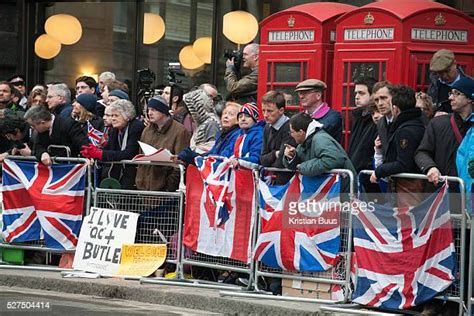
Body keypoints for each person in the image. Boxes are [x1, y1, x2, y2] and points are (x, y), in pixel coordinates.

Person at [370, 85, 425, 207]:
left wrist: (379, 171)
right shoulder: (416, 122)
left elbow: (403, 163)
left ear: (395, 108)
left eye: (384, 98)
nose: (380, 103)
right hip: (401, 185)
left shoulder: (405, 130)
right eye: (376, 100)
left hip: (408, 187)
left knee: (408, 222)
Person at [283, 112, 355, 194]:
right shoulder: (305, 141)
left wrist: (302, 167)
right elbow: (296, 163)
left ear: (301, 132)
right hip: (331, 192)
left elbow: (334, 159)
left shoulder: (320, 139)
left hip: (342, 191)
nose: (291, 135)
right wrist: (291, 156)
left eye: (292, 132)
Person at [81, 99, 144, 190]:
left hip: (133, 174)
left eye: (116, 115)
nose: (113, 118)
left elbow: (129, 153)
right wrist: (94, 152)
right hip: (119, 173)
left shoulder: (136, 127)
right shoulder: (115, 128)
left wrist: (100, 154)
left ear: (127, 116)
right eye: (112, 115)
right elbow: (109, 148)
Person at [135, 96, 190, 192]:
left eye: (153, 110)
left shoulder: (180, 131)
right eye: (148, 110)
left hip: (164, 189)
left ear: (163, 111)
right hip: (144, 186)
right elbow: (141, 157)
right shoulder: (147, 130)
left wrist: (169, 186)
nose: (149, 113)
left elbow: (181, 161)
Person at [176, 102, 241, 164]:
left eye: (231, 114)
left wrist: (192, 156)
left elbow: (222, 157)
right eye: (224, 113)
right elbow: (211, 153)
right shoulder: (222, 134)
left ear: (239, 119)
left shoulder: (238, 135)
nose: (226, 116)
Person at [24, 106, 88, 164]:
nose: (32, 128)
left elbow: (82, 143)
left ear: (42, 123)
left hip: (71, 165)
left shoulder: (68, 124)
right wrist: (43, 153)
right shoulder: (41, 131)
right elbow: (38, 146)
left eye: (33, 126)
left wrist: (87, 158)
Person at [260, 90, 296, 184]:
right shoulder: (267, 127)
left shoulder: (289, 127)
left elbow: (281, 163)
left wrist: (272, 157)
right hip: (271, 181)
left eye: (270, 111)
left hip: (288, 182)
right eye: (263, 110)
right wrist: (276, 153)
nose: (265, 115)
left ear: (281, 110)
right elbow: (262, 159)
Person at [348, 77, 378, 173]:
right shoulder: (357, 116)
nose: (357, 96)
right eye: (355, 93)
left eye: (361, 93)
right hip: (353, 172)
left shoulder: (377, 119)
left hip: (367, 175)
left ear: (373, 95)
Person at [427, 49, 469, 113]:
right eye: (440, 72)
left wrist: (447, 117)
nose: (444, 76)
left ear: (455, 64)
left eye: (447, 71)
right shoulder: (434, 82)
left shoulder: (469, 84)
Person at [183, 88, 220, 155]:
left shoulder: (212, 124)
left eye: (191, 112)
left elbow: (211, 150)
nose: (189, 116)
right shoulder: (201, 123)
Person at [228, 102, 265, 168]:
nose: (243, 119)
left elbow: (256, 158)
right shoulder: (238, 133)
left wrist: (239, 161)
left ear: (255, 119)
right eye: (240, 116)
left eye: (247, 116)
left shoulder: (259, 134)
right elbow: (228, 151)